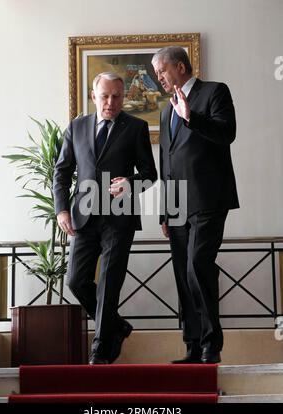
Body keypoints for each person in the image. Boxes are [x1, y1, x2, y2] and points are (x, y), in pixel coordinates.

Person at [53, 72, 157, 365]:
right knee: (75, 281)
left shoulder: (135, 127)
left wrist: (131, 183)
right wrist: (61, 209)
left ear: (124, 97)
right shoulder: (77, 126)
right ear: (93, 96)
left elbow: (150, 174)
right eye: (105, 96)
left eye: (117, 97)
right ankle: (118, 326)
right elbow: (61, 172)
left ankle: (99, 351)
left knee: (110, 282)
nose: (111, 102)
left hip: (119, 218)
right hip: (83, 217)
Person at [151, 46, 239, 364]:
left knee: (197, 266)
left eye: (161, 71)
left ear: (181, 67)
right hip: (176, 206)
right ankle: (192, 345)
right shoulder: (164, 111)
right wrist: (164, 209)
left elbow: (227, 133)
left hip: (209, 198)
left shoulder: (215, 92)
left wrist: (191, 117)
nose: (158, 77)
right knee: (182, 274)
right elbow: (167, 163)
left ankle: (211, 345)